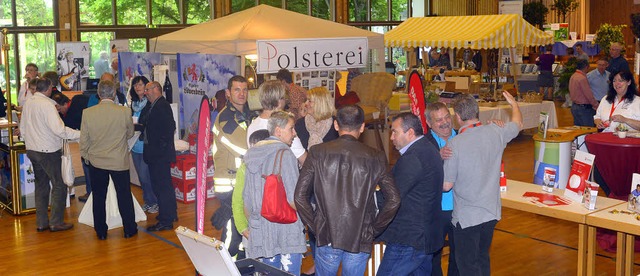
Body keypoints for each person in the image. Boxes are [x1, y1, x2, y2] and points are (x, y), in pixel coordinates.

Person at [294, 105, 400, 276]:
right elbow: (394, 200)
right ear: (363, 127)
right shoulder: (375, 156)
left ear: (336, 125)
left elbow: (300, 196)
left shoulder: (317, 152)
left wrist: (316, 227)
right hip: (360, 236)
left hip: (327, 234)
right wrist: (374, 229)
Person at [443, 91, 522, 276]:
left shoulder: (455, 144)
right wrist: (514, 105)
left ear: (457, 117)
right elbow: (518, 124)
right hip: (491, 213)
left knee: (467, 266)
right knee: (482, 260)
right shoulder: (496, 131)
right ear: (477, 112)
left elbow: (446, 185)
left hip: (467, 217)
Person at [377, 112, 444, 275]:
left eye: (395, 132)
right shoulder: (428, 148)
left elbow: (392, 195)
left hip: (409, 238)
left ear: (410, 133)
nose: (391, 137)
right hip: (424, 235)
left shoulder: (413, 157)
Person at [243, 111, 307, 275]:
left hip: (262, 230)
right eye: (291, 129)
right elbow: (294, 199)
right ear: (278, 131)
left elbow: (247, 200)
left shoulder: (251, 154)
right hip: (287, 231)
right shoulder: (285, 154)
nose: (294, 133)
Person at [20, 78, 80, 232]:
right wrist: (80, 134)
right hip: (48, 151)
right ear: (48, 89)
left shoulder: (29, 102)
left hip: (32, 150)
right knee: (59, 185)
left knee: (41, 186)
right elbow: (59, 130)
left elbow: (23, 128)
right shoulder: (47, 104)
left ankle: (41, 222)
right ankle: (56, 222)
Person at [80, 79, 137, 240]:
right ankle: (129, 229)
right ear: (113, 94)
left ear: (98, 93)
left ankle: (101, 231)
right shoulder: (124, 112)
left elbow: (84, 139)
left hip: (97, 161)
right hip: (118, 161)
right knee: (124, 195)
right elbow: (130, 133)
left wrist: (86, 156)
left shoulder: (88, 113)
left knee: (99, 197)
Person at [211, 75, 255, 258]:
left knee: (243, 228)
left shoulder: (248, 115)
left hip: (243, 182)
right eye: (237, 89)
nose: (242, 93)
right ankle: (226, 267)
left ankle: (242, 267)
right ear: (228, 93)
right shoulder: (225, 118)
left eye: (244, 89)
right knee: (233, 233)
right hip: (229, 184)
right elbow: (244, 148)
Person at [423, 102, 459, 276]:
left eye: (447, 117)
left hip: (461, 207)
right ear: (429, 123)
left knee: (459, 255)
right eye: (439, 120)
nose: (445, 122)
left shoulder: (462, 136)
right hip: (436, 210)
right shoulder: (422, 144)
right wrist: (437, 156)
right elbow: (418, 172)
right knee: (433, 257)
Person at [140, 81, 177, 232]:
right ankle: (169, 213)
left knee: (162, 187)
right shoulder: (153, 105)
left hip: (159, 155)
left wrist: (160, 147)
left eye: (147, 89)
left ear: (156, 89)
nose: (145, 93)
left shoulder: (162, 105)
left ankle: (166, 220)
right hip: (157, 154)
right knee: (163, 186)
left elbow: (170, 128)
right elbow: (143, 120)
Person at [246, 80, 306, 163]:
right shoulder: (284, 126)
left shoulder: (252, 126)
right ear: (279, 102)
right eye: (284, 98)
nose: (286, 101)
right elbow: (303, 158)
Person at [231, 129, 270, 255]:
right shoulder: (244, 168)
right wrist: (243, 229)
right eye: (251, 148)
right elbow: (237, 201)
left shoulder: (278, 166)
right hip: (251, 230)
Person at [129, 76, 158, 214]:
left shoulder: (150, 103)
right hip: (134, 145)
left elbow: (150, 124)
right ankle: (148, 201)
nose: (137, 87)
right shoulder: (133, 104)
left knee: (147, 176)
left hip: (145, 145)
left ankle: (154, 202)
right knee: (141, 177)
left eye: (140, 84)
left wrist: (139, 126)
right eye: (135, 85)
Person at [569, 59, 599, 127]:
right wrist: (596, 105)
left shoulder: (573, 76)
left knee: (577, 129)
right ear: (586, 67)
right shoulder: (582, 78)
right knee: (588, 129)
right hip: (584, 108)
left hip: (574, 106)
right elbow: (588, 95)